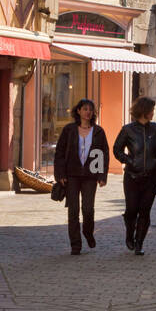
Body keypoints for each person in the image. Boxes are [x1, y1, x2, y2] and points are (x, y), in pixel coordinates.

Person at [113, 97, 156, 255]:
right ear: (144, 111)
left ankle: (139, 243)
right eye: (151, 110)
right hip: (132, 176)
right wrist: (128, 161)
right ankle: (129, 234)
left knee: (145, 210)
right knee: (132, 209)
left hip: (152, 177)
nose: (153, 113)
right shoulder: (128, 130)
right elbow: (117, 149)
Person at [52, 99, 109, 255]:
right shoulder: (69, 130)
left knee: (88, 209)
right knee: (73, 211)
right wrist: (60, 174)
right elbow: (60, 153)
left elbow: (104, 153)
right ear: (78, 111)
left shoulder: (98, 131)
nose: (88, 112)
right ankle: (75, 245)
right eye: (85, 109)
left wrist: (102, 175)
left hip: (91, 175)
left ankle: (88, 232)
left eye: (90, 109)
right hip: (71, 175)